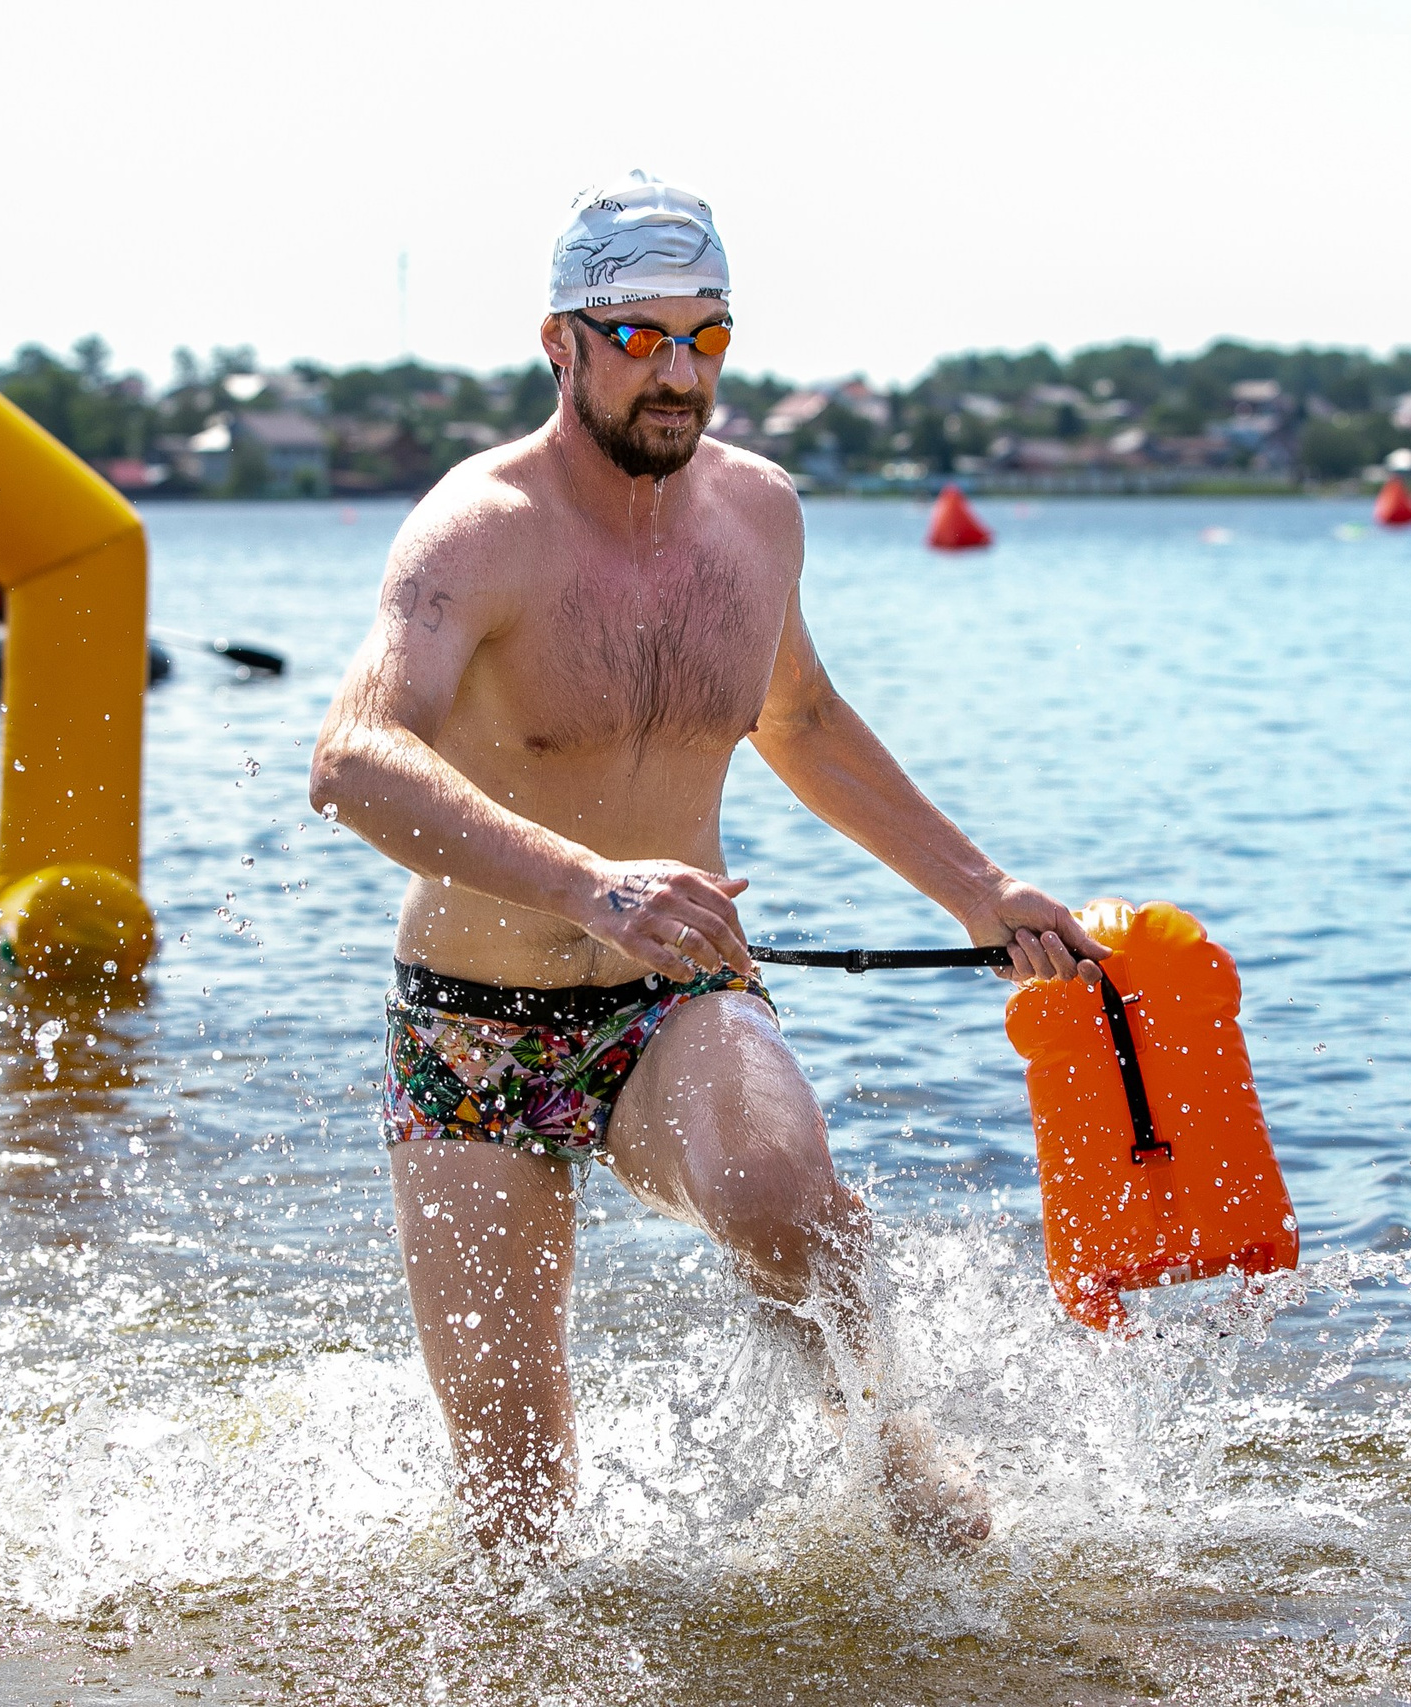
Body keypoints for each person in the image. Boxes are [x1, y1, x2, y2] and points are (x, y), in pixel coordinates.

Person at [309, 171, 1103, 1555]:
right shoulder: (474, 530)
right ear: (560, 342)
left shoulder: (760, 515)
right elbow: (355, 760)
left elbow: (799, 718)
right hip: (471, 1028)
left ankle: (899, 1454)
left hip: (673, 995)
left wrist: (982, 894)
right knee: (517, 1508)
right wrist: (590, 881)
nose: (679, 373)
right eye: (640, 337)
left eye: (708, 335)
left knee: (780, 1199)